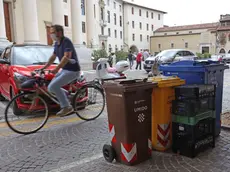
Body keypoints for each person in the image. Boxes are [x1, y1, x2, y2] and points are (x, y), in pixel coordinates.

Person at [38, 24, 81, 117]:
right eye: (50, 33)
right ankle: (68, 96)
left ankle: (67, 107)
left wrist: (56, 69)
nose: (51, 34)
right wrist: (43, 67)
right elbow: (53, 57)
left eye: (53, 32)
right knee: (50, 88)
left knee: (54, 86)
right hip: (65, 70)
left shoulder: (66, 42)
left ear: (59, 32)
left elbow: (66, 57)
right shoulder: (56, 44)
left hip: (73, 71)